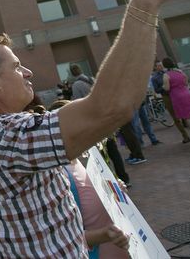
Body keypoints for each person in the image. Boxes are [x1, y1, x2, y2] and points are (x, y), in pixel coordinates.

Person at [0, 0, 189, 258]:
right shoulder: (6, 140)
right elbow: (108, 108)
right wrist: (146, 0)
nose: (28, 73)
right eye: (18, 67)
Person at [51, 100, 130, 259]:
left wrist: (114, 190)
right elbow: (63, 237)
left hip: (120, 250)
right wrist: (105, 235)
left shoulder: (79, 161)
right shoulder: (57, 175)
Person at [151, 59, 190, 143]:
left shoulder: (169, 72)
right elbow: (157, 90)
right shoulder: (154, 78)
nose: (161, 67)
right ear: (155, 67)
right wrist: (164, 86)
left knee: (187, 113)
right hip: (167, 96)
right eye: (158, 65)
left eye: (161, 65)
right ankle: (185, 136)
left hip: (176, 94)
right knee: (175, 117)